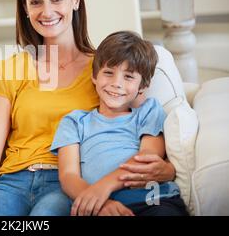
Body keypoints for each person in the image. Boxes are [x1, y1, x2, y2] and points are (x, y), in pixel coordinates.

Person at [0, 0, 176, 216]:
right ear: (25, 9)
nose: (47, 11)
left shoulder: (106, 71)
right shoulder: (11, 68)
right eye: (35, 2)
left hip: (67, 182)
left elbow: (138, 124)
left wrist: (168, 169)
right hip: (10, 181)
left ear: (75, 0)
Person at [51, 31, 188, 216]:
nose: (116, 83)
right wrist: (99, 201)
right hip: (99, 207)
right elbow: (68, 176)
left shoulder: (148, 111)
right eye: (108, 73)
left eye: (129, 77)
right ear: (94, 76)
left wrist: (103, 187)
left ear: (143, 86)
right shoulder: (74, 122)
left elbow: (146, 158)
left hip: (153, 200)